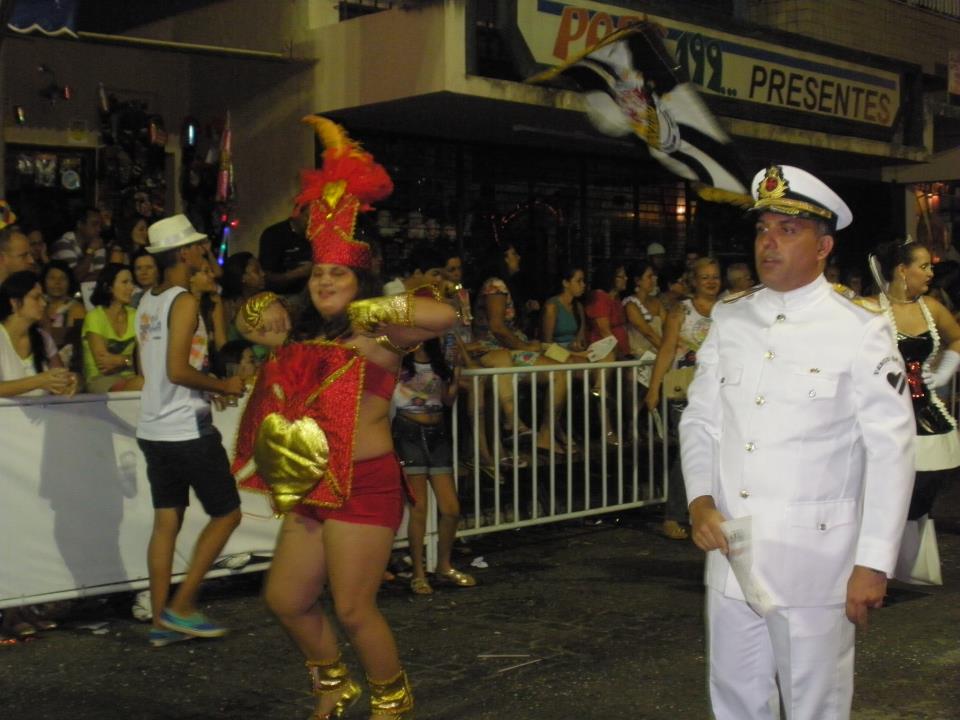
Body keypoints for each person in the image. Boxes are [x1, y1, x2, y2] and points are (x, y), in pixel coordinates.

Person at [234, 117, 452, 719]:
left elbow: (444, 316)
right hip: (312, 483)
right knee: (286, 598)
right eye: (320, 272)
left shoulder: (378, 333)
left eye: (339, 273)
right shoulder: (304, 332)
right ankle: (333, 682)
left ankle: (392, 702)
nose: (326, 280)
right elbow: (252, 330)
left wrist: (370, 310)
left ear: (361, 279)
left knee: (354, 608)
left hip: (363, 483)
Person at [679, 164, 915, 720]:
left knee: (816, 705)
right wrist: (699, 499)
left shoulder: (858, 329)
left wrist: (873, 562)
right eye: (764, 229)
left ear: (823, 246)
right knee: (734, 699)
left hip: (815, 562)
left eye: (788, 230)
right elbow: (701, 420)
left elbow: (891, 451)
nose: (769, 242)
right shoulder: (732, 318)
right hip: (732, 548)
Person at [135, 214, 246, 648]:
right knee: (228, 513)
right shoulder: (182, 301)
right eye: (198, 246)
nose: (203, 251)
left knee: (167, 521)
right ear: (183, 253)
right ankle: (181, 606)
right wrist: (222, 386)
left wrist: (205, 386)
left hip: (154, 426)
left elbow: (154, 368)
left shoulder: (148, 300)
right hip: (185, 428)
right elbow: (177, 370)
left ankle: (161, 622)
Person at [868, 239, 960, 579]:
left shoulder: (931, 307)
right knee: (886, 485)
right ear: (901, 270)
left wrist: (944, 371)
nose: (930, 273)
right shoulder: (870, 308)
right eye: (923, 266)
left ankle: (907, 559)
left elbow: (957, 337)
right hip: (882, 412)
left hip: (924, 409)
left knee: (925, 482)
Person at [645, 256, 721, 540]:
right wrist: (653, 388)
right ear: (693, 281)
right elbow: (666, 349)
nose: (711, 282)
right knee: (690, 450)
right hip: (685, 390)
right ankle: (674, 514)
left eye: (715, 276)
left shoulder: (727, 309)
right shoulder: (681, 311)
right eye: (705, 277)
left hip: (718, 390)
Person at [393, 339, 476, 595]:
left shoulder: (439, 362)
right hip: (408, 433)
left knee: (451, 509)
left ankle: (443, 566)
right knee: (419, 509)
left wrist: (456, 372)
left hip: (437, 433)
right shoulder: (398, 360)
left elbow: (448, 401)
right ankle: (418, 573)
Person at [473, 242, 569, 454]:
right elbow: (497, 327)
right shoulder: (496, 285)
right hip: (498, 350)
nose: (518, 258)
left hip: (509, 348)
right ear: (503, 258)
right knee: (558, 373)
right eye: (513, 254)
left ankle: (550, 431)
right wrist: (525, 346)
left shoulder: (501, 285)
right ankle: (546, 433)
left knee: (562, 364)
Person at [0, 270, 77, 397]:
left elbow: (61, 378)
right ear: (15, 302)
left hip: (42, 408)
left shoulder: (43, 338)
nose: (43, 303)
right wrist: (39, 381)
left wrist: (71, 382)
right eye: (36, 298)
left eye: (43, 298)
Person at [82, 263, 144, 393]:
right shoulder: (95, 316)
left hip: (131, 378)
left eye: (132, 282)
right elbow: (104, 365)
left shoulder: (135, 315)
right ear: (108, 287)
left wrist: (122, 360)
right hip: (100, 380)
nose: (131, 287)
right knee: (142, 384)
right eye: (125, 282)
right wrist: (129, 360)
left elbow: (144, 357)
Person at [623, 260, 666, 387]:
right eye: (649, 276)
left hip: (659, 353)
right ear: (638, 281)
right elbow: (648, 333)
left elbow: (667, 327)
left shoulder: (657, 302)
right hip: (640, 357)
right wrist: (667, 351)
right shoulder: (631, 305)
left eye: (654, 276)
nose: (653, 279)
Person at [40, 260, 86, 368]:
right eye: (52, 278)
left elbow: (78, 345)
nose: (57, 282)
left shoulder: (77, 309)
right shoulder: (38, 306)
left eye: (63, 278)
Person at [258, 212, 311, 296]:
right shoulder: (274, 234)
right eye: (307, 216)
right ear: (297, 213)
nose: (310, 221)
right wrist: (298, 273)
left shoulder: (313, 233)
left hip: (310, 291)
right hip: (284, 295)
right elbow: (265, 276)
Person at [50, 206, 106, 283]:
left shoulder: (97, 243)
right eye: (94, 224)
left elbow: (102, 275)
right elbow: (75, 278)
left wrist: (84, 277)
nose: (99, 229)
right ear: (80, 224)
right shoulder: (63, 244)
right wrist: (90, 251)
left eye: (100, 225)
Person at [540, 265, 587, 350]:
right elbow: (547, 344)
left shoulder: (578, 306)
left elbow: (581, 337)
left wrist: (579, 345)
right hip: (556, 352)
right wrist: (569, 350)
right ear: (565, 283)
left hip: (575, 351)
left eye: (583, 281)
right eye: (579, 281)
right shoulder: (552, 306)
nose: (583, 285)